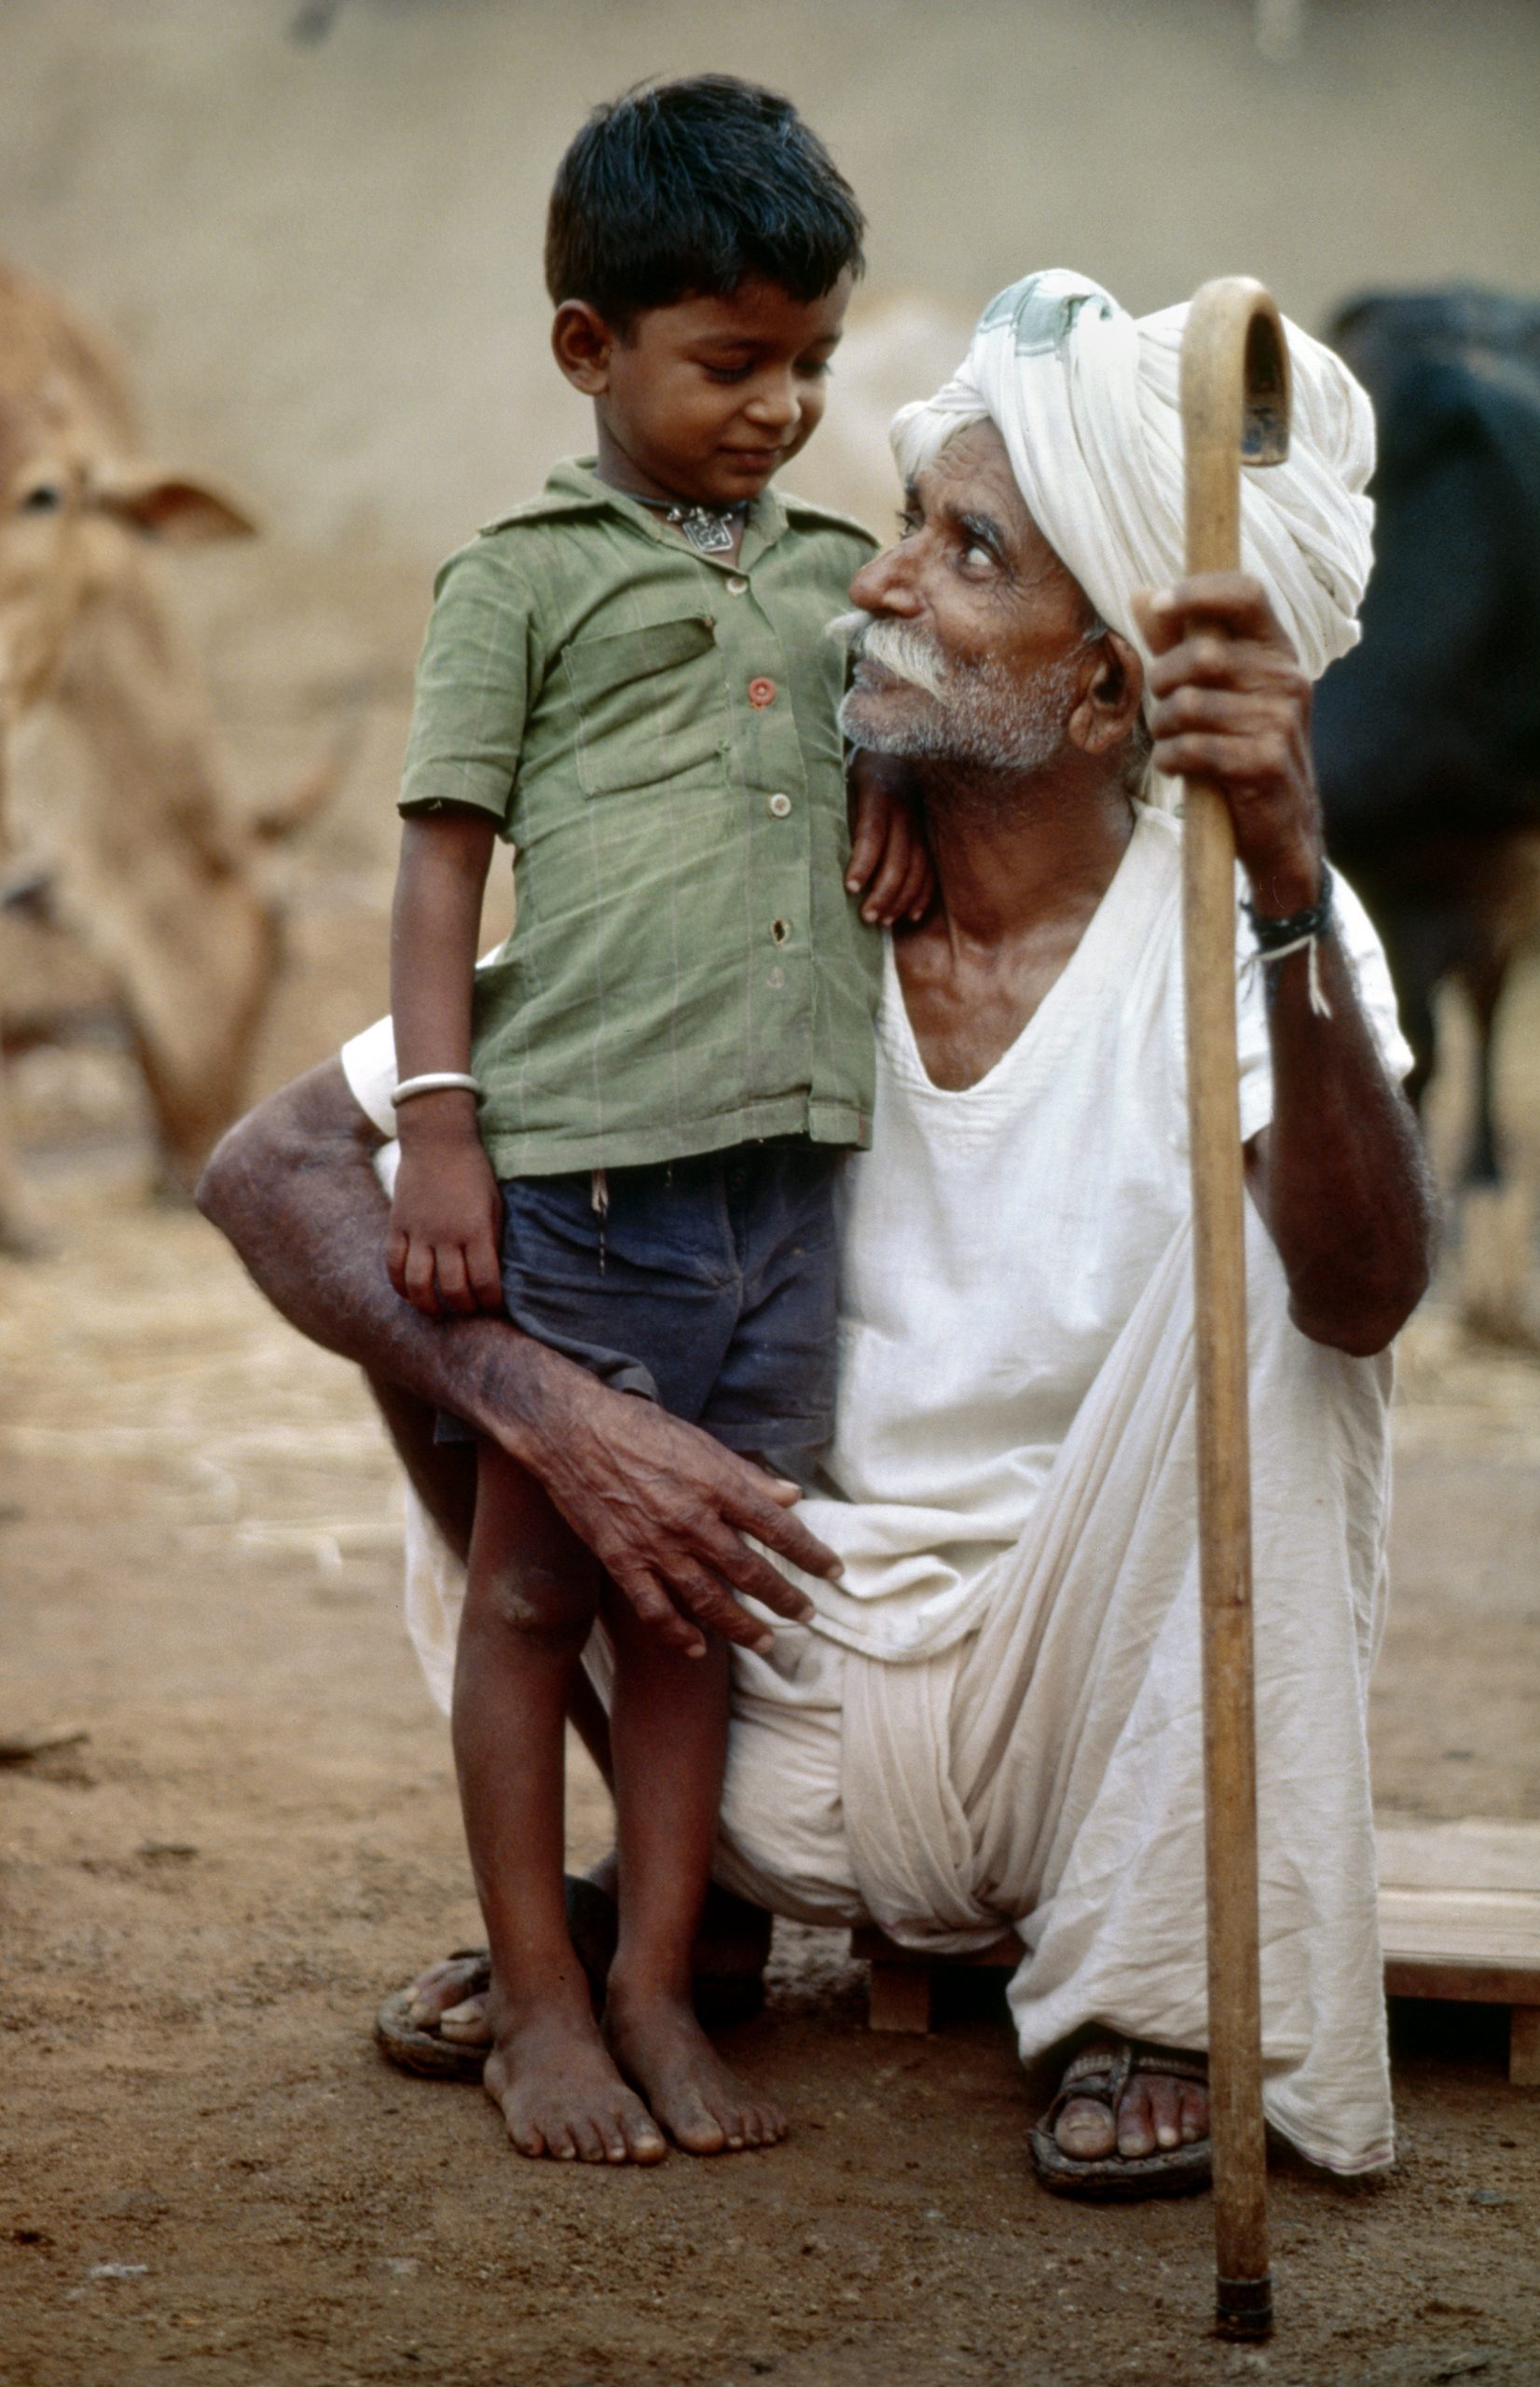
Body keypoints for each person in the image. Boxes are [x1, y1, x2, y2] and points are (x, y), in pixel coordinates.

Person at [200, 269, 1434, 2197]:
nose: (878, 582)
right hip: (750, 1675)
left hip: (1091, 1746)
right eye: (906, 528)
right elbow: (269, 1171)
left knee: (1289, 1313)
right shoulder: (762, 892)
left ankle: (1148, 1991)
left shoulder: (1247, 931)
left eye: (962, 552)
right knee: (469, 1250)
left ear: (1102, 682)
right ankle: (676, 1908)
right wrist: (548, 1412)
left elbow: (1370, 1294)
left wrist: (1280, 886)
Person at [377, 75, 930, 2167]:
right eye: (729, 363)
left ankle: (665, 1979)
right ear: (585, 348)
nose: (778, 407)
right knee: (539, 1596)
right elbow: (443, 863)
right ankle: (535, 2001)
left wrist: (883, 772)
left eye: (804, 362)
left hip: (789, 1183)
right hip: (587, 1172)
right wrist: (439, 1124)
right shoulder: (512, 577)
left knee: (695, 1594)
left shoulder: (838, 572)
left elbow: (898, 728)